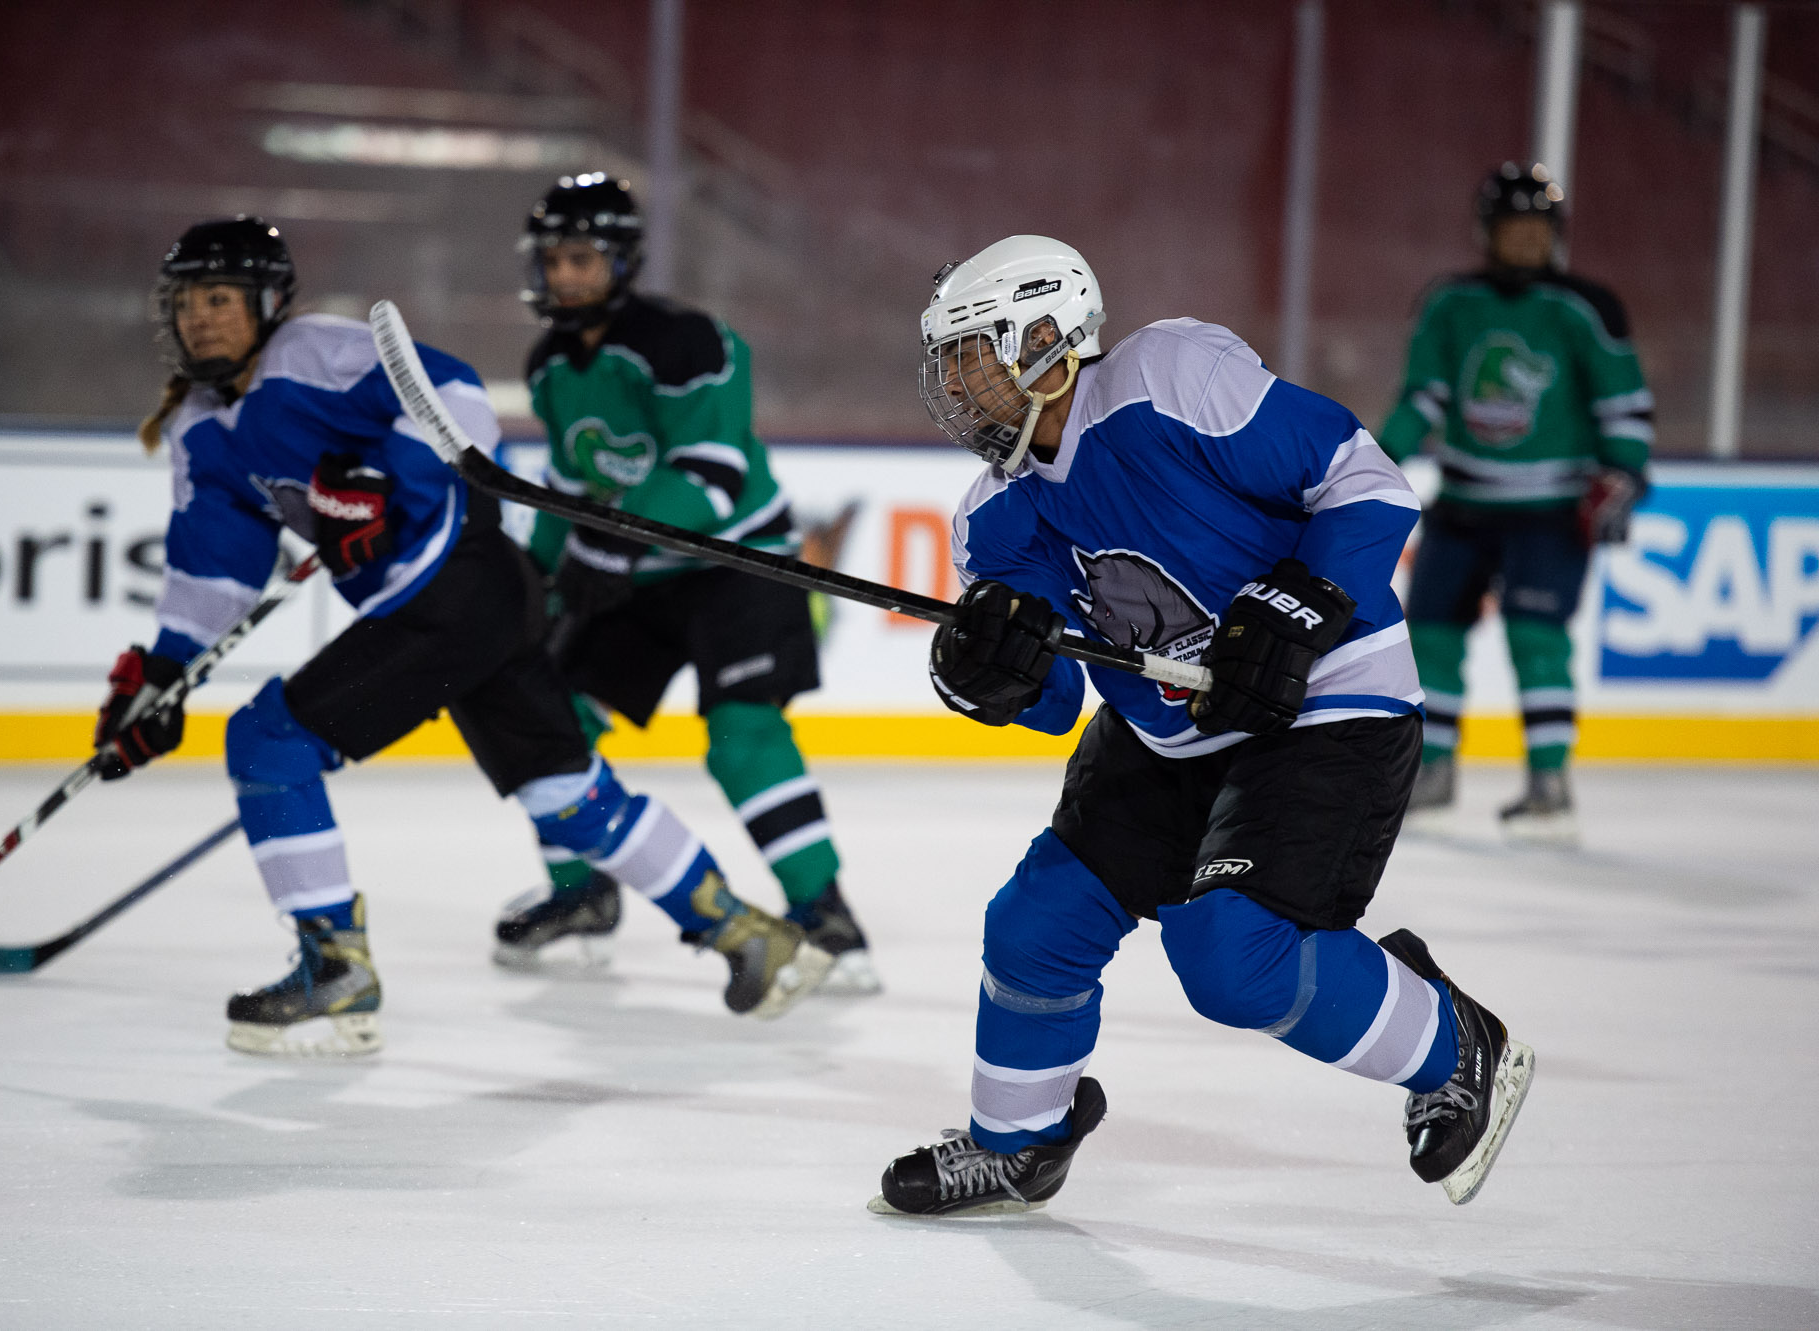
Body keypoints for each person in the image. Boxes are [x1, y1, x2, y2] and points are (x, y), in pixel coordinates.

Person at [869, 235, 1535, 1216]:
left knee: (1233, 958)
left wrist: (1303, 600)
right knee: (1033, 925)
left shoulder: (1165, 377)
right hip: (1167, 737)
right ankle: (1018, 1142)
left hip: (1324, 703)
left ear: (1045, 338)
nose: (956, 388)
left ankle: (1454, 1045)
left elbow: (1364, 479)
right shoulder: (992, 520)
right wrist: (985, 673)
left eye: (971, 358)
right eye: (948, 366)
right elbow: (1055, 701)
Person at [104, 216, 830, 1057]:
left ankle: (335, 976)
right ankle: (748, 935)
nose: (200, 319)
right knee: (563, 792)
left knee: (272, 742)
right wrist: (166, 670)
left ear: (267, 303)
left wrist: (387, 484)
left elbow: (453, 395)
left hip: (451, 587)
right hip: (476, 599)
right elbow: (216, 565)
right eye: (188, 302)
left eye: (220, 299)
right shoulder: (200, 428)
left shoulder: (310, 354)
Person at [492, 173, 878, 992]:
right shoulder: (550, 366)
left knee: (743, 737)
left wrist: (609, 543)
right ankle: (581, 894)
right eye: (554, 260)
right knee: (545, 720)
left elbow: (710, 473)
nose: (565, 275)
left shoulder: (686, 341)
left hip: (739, 561)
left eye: (582, 258)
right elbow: (567, 488)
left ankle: (826, 915)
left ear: (622, 261)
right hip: (636, 570)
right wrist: (532, 584)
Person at [1378, 162, 1654, 844]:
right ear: (1487, 232)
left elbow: (1622, 404)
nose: (1527, 240)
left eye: (1538, 228)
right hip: (1463, 506)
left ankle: (1549, 783)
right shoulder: (1450, 303)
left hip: (1550, 511)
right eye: (1513, 227)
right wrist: (1375, 461)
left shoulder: (1584, 307)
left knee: (1537, 639)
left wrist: (1624, 474)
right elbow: (1423, 397)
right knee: (1431, 634)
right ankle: (1433, 770)